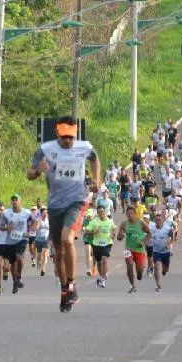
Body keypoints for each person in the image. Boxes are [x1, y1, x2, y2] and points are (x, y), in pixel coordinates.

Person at [27, 116, 100, 312]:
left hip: (77, 201)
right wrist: (38, 172)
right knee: (58, 252)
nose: (68, 141)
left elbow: (94, 158)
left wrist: (96, 180)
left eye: (71, 137)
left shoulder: (84, 147)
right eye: (64, 137)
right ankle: (65, 290)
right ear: (58, 133)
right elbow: (29, 173)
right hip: (55, 205)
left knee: (68, 239)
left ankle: (72, 283)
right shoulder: (45, 149)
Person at [0, 194, 33, 295]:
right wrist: (8, 227)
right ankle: (15, 282)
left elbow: (36, 220)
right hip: (10, 241)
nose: (14, 201)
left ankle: (19, 277)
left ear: (20, 201)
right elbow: (1, 227)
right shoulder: (6, 213)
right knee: (12, 263)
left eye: (16, 200)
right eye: (12, 200)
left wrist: (29, 230)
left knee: (19, 258)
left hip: (22, 239)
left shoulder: (27, 212)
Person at [116, 206, 150, 294]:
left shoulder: (141, 223)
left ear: (135, 214)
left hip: (139, 250)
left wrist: (144, 241)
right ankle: (132, 286)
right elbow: (119, 237)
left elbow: (149, 233)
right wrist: (121, 236)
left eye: (132, 213)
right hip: (128, 249)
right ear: (126, 215)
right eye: (128, 214)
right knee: (129, 265)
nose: (130, 215)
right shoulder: (124, 224)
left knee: (139, 272)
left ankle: (139, 274)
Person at [84, 200, 115, 288]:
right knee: (99, 262)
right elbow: (86, 232)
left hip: (108, 243)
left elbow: (113, 229)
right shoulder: (94, 222)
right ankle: (102, 275)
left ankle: (102, 279)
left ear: (105, 212)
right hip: (96, 244)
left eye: (102, 212)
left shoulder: (109, 221)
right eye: (99, 212)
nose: (101, 213)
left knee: (104, 260)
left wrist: (113, 235)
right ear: (97, 213)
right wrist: (94, 233)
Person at [150, 211, 174, 292]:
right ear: (155, 221)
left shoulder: (167, 228)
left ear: (163, 220)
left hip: (166, 252)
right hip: (156, 252)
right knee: (156, 267)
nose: (158, 222)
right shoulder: (152, 228)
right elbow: (147, 236)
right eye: (156, 220)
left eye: (159, 220)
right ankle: (158, 285)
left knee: (165, 269)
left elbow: (172, 236)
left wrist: (169, 243)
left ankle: (164, 270)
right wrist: (144, 242)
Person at [34, 207, 51, 276]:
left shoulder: (49, 220)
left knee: (45, 253)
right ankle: (38, 262)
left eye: (46, 213)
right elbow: (36, 228)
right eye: (44, 213)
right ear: (41, 214)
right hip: (38, 240)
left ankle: (43, 269)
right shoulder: (38, 220)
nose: (46, 214)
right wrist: (39, 219)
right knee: (39, 256)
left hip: (46, 240)